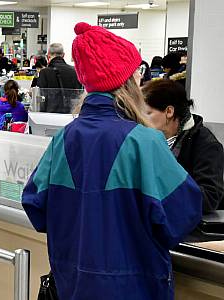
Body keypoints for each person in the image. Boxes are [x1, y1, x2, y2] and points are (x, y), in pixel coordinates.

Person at [21, 22, 202, 300]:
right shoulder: (144, 142)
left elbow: (35, 204)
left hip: (72, 286)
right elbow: (182, 213)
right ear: (128, 82)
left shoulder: (64, 139)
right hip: (135, 288)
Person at [143, 79, 224, 214]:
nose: (141, 118)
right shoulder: (150, 138)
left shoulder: (206, 145)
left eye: (147, 113)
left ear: (169, 111)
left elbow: (210, 197)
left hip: (189, 228)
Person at [37, 43, 82, 113]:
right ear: (63, 55)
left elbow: (41, 95)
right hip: (71, 114)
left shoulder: (44, 72)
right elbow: (79, 94)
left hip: (50, 114)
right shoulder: (75, 71)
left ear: (48, 55)